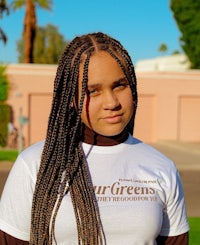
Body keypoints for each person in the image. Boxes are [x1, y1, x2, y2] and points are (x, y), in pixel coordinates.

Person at [0, 32, 189, 244]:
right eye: (93, 91)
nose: (111, 102)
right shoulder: (34, 165)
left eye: (119, 85)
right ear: (71, 99)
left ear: (133, 87)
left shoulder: (162, 167)